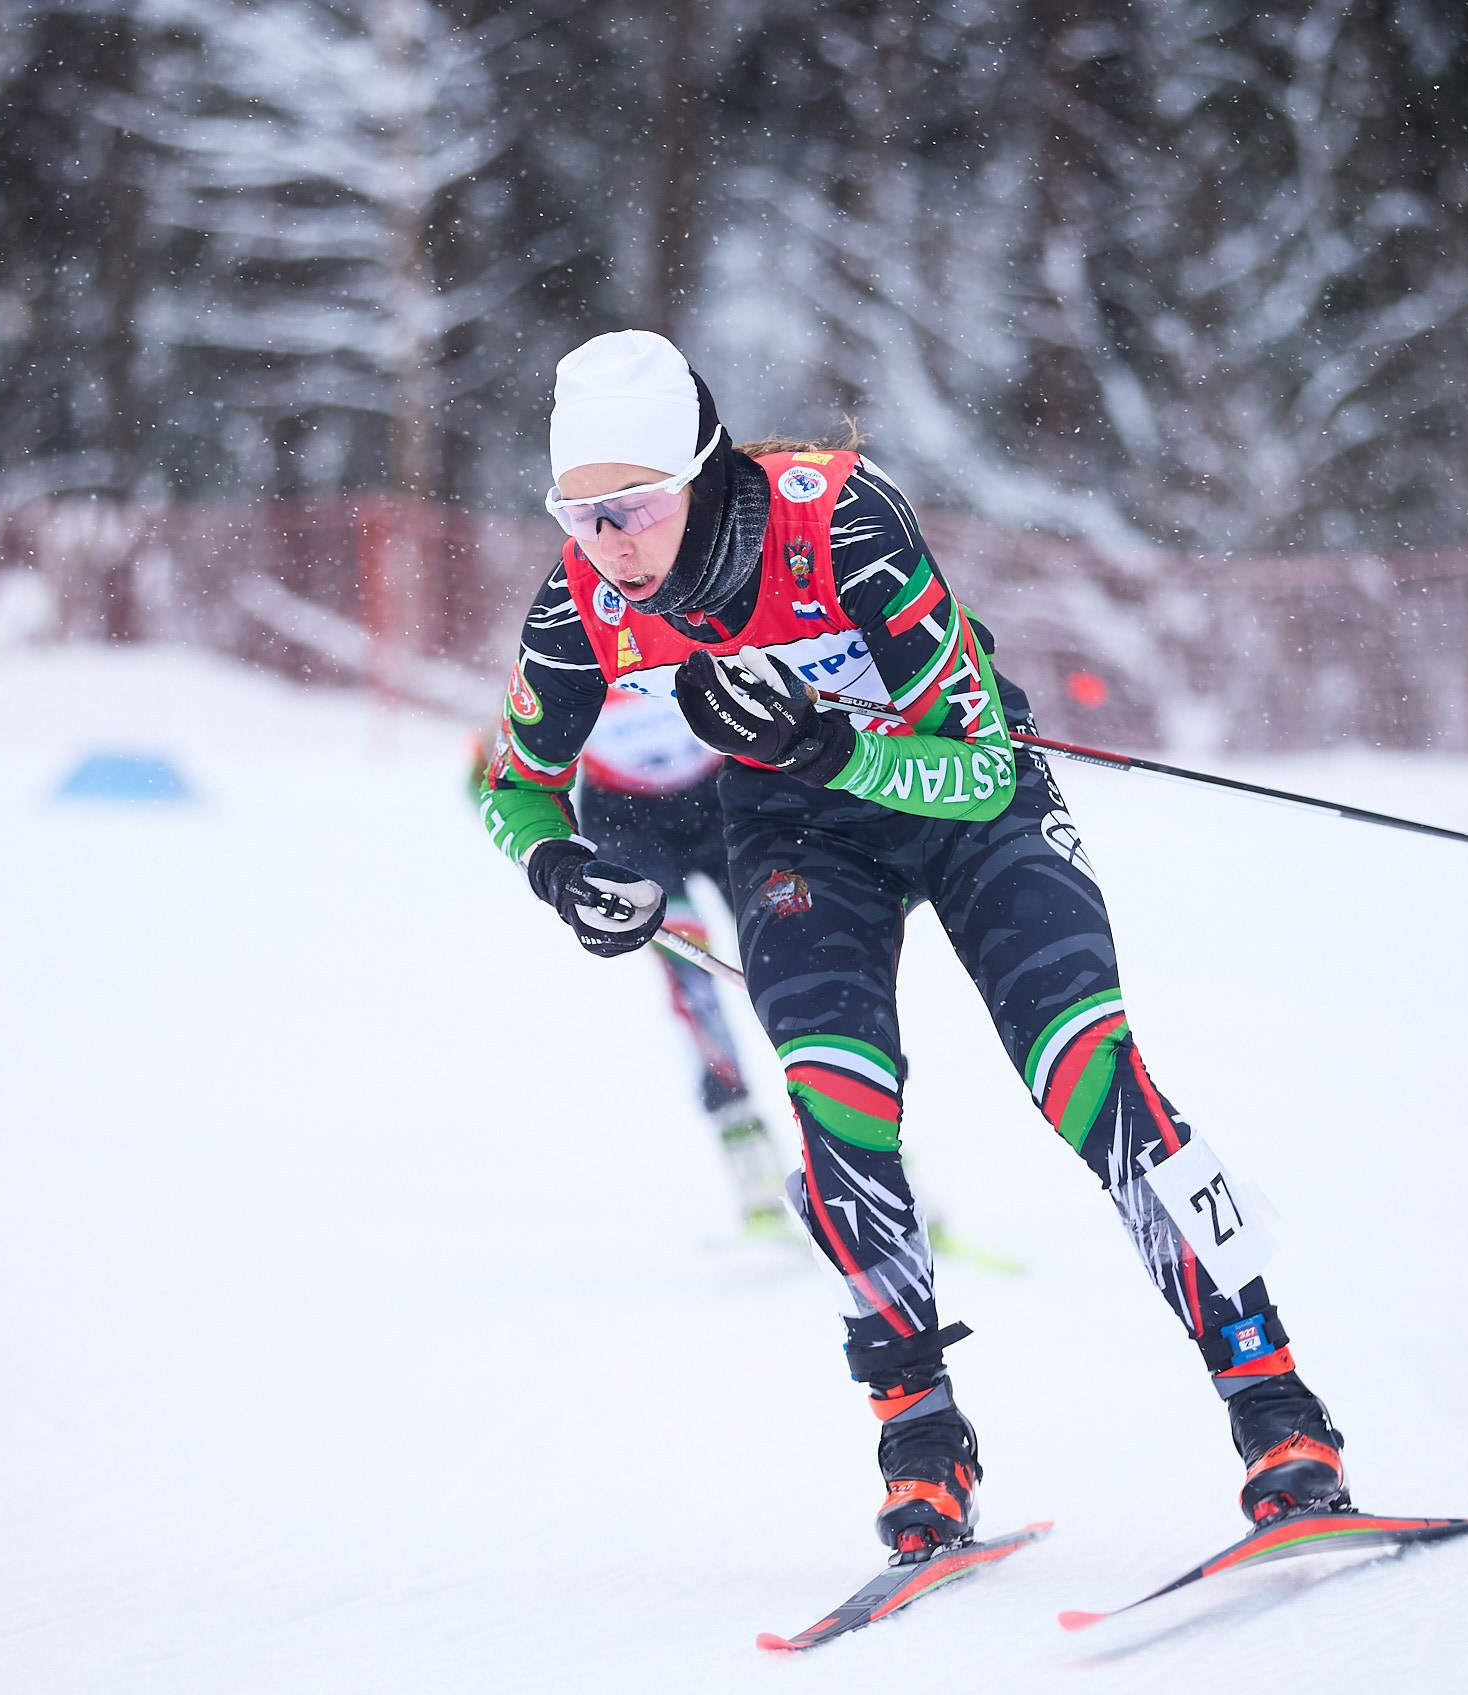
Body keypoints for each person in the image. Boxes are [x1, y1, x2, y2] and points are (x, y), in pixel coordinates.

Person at [478, 330, 1350, 1560]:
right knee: (837, 1105)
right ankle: (922, 1449)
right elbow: (509, 786)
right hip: (793, 830)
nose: (607, 544)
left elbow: (980, 758)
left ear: (702, 467)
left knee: (1088, 1075)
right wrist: (560, 868)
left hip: (967, 797)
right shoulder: (582, 604)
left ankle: (1279, 1416)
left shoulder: (836, 519)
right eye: (578, 515)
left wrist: (832, 744)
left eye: (633, 508)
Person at [476, 689, 790, 1235]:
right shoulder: (576, 652)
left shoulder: (687, 621)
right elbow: (489, 770)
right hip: (627, 824)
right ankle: (750, 1165)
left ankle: (872, 1148)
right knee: (693, 976)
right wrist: (540, 849)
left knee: (791, 952)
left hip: (722, 801)